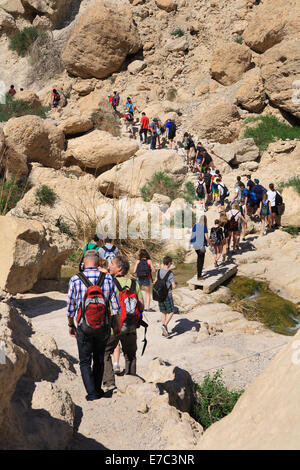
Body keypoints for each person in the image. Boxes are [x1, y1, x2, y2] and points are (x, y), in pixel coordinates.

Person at [67, 250, 121, 401]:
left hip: (84, 327)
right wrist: (116, 325)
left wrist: (71, 325)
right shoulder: (108, 278)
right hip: (103, 326)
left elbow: (70, 307)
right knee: (99, 358)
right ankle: (98, 388)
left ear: (84, 261)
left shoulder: (75, 279)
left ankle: (92, 393)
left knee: (84, 360)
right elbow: (116, 307)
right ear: (98, 262)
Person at [103, 255, 144, 391]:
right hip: (131, 325)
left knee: (105, 352)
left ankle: (109, 383)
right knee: (130, 354)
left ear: (119, 268)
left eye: (112, 264)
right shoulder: (134, 283)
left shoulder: (111, 283)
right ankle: (131, 380)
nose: (110, 266)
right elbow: (142, 306)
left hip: (115, 326)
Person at [155, 256, 177, 337]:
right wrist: (175, 284)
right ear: (169, 263)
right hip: (167, 294)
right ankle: (164, 325)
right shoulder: (170, 273)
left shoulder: (158, 271)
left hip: (159, 294)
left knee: (163, 311)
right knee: (171, 311)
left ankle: (164, 330)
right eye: (171, 263)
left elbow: (155, 281)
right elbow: (173, 286)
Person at [190, 215, 210, 279]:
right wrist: (210, 243)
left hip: (195, 245)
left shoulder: (195, 225)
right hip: (201, 245)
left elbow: (192, 235)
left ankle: (199, 274)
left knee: (199, 259)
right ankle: (199, 276)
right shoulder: (204, 227)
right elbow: (207, 238)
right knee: (201, 260)